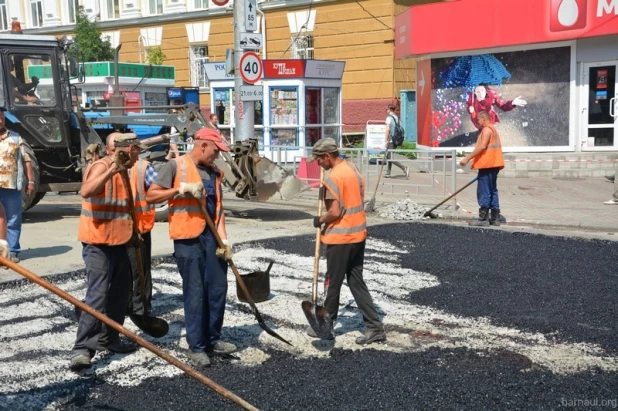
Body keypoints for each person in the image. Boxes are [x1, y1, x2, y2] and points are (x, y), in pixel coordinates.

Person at [146, 127, 236, 368]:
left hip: (213, 238)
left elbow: (218, 208)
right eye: (216, 151)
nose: (217, 155)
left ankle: (213, 339)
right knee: (195, 294)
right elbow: (152, 196)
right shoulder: (176, 166)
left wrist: (224, 239)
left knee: (217, 290)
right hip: (189, 240)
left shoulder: (215, 172)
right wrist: (181, 189)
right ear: (203, 145)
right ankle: (197, 347)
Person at [69, 133, 145, 371]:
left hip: (119, 242)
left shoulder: (126, 171)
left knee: (120, 293)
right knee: (97, 295)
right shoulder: (101, 166)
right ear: (129, 149)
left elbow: (125, 206)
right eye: (137, 152)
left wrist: (133, 233)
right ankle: (82, 350)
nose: (138, 156)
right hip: (97, 243)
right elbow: (86, 191)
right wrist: (111, 169)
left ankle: (109, 339)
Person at [309, 137, 387, 345]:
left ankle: (327, 325)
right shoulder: (352, 168)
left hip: (340, 237)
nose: (318, 163)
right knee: (355, 281)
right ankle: (375, 327)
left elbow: (334, 211)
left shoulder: (333, 178)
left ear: (327, 156)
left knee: (332, 283)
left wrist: (319, 220)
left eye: (319, 159)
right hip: (358, 234)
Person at [105, 134, 159, 328]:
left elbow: (157, 191)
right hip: (116, 230)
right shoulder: (105, 168)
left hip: (138, 228)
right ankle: (126, 306)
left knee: (140, 270)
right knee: (124, 271)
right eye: (111, 149)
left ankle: (141, 308)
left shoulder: (142, 167)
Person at [0, 108, 35, 263]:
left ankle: (12, 251)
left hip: (11, 186)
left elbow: (26, 160)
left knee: (13, 219)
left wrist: (31, 181)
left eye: (1, 118)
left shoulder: (15, 138)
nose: (0, 121)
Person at [459, 111, 504, 226]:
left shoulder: (487, 130)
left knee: (484, 191)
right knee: (493, 190)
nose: (477, 122)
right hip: (494, 164)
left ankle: (483, 219)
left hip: (487, 164)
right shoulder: (493, 130)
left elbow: (482, 146)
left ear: (484, 119)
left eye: (478, 120)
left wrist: (467, 158)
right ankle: (495, 218)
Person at [384, 104, 409, 179]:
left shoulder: (389, 118)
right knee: (389, 157)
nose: (386, 111)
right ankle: (388, 173)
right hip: (395, 140)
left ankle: (404, 168)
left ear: (390, 110)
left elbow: (387, 129)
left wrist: (385, 139)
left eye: (386, 109)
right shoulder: (396, 117)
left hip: (391, 140)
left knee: (390, 157)